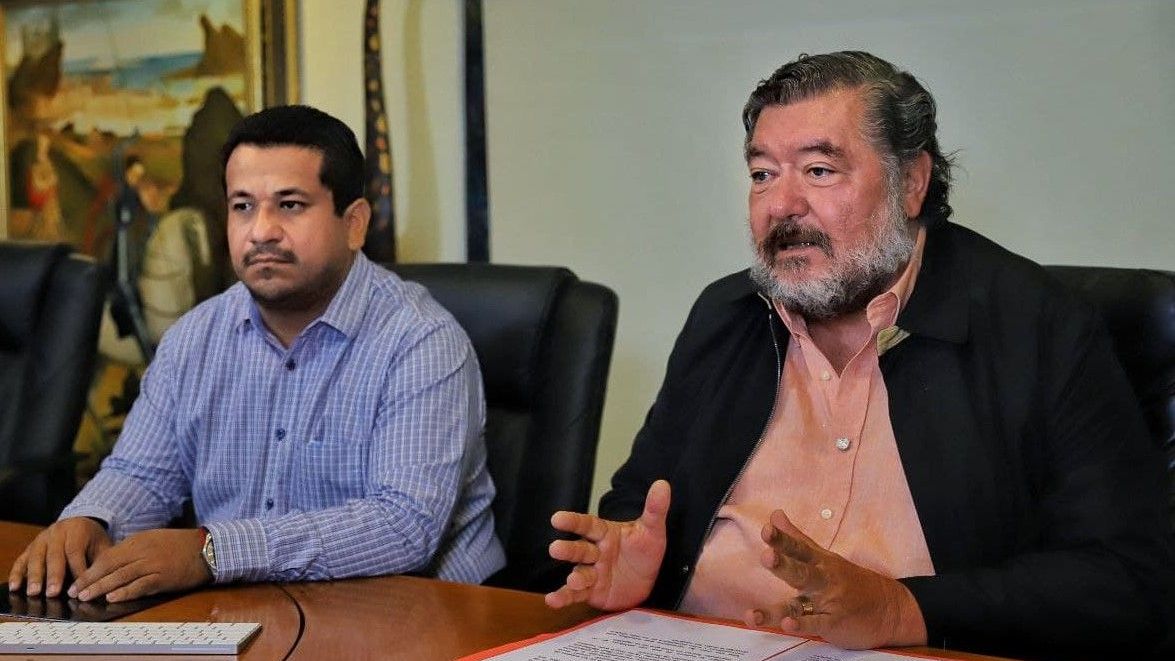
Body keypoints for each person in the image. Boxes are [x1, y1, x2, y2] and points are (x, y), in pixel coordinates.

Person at [545, 52, 1174, 660]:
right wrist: (637, 570)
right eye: (763, 174)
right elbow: (637, 509)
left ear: (912, 183)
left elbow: (1129, 581)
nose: (781, 205)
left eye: (819, 171)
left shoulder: (1038, 325)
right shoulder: (726, 315)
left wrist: (905, 609)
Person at [8, 105, 505, 603]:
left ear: (354, 224)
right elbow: (141, 474)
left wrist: (213, 552)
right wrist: (90, 519)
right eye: (242, 206)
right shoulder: (194, 338)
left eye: (290, 205)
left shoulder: (421, 341)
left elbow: (403, 526)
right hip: (245, 609)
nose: (261, 230)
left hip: (421, 613)